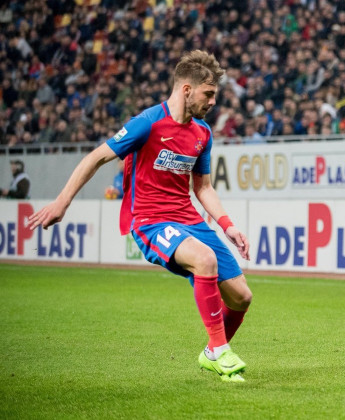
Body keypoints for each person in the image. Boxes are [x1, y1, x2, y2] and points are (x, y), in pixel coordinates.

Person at [28, 50, 252, 383]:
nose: (213, 102)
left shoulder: (203, 133)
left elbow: (203, 187)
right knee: (204, 260)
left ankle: (210, 353)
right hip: (150, 221)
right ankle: (221, 352)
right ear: (186, 89)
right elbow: (97, 157)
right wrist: (63, 201)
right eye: (208, 94)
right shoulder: (147, 123)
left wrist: (228, 225)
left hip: (189, 219)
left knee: (242, 297)